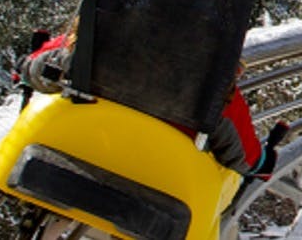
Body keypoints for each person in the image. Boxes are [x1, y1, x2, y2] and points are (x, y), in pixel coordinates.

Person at [15, 28, 271, 178]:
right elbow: (241, 154)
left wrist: (28, 65)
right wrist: (262, 162)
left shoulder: (97, 36)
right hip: (148, 183)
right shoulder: (210, 85)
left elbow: (42, 67)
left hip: (73, 153)